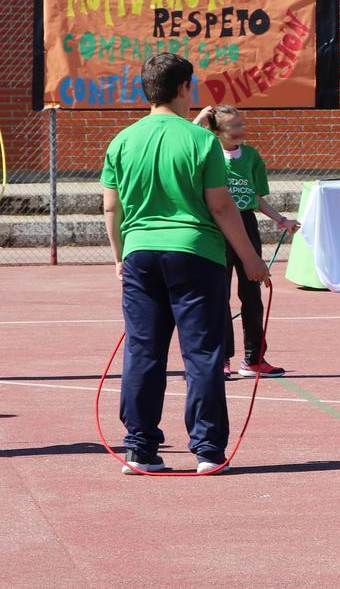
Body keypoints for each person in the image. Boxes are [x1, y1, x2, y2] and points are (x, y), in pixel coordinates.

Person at [101, 53, 269, 475]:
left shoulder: (123, 140)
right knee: (202, 354)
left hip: (140, 252)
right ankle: (207, 450)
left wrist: (120, 256)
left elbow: (110, 208)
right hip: (196, 254)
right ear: (182, 89)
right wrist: (251, 259)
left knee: (144, 350)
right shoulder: (200, 141)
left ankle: (139, 447)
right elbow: (221, 206)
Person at [193, 105, 298, 380]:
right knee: (218, 295)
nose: (240, 131)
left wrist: (280, 220)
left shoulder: (251, 156)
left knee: (252, 294)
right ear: (216, 131)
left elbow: (257, 197)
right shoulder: (208, 150)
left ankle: (254, 359)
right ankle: (221, 358)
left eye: (241, 124)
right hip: (216, 227)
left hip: (246, 224)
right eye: (233, 126)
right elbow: (187, 143)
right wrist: (200, 119)